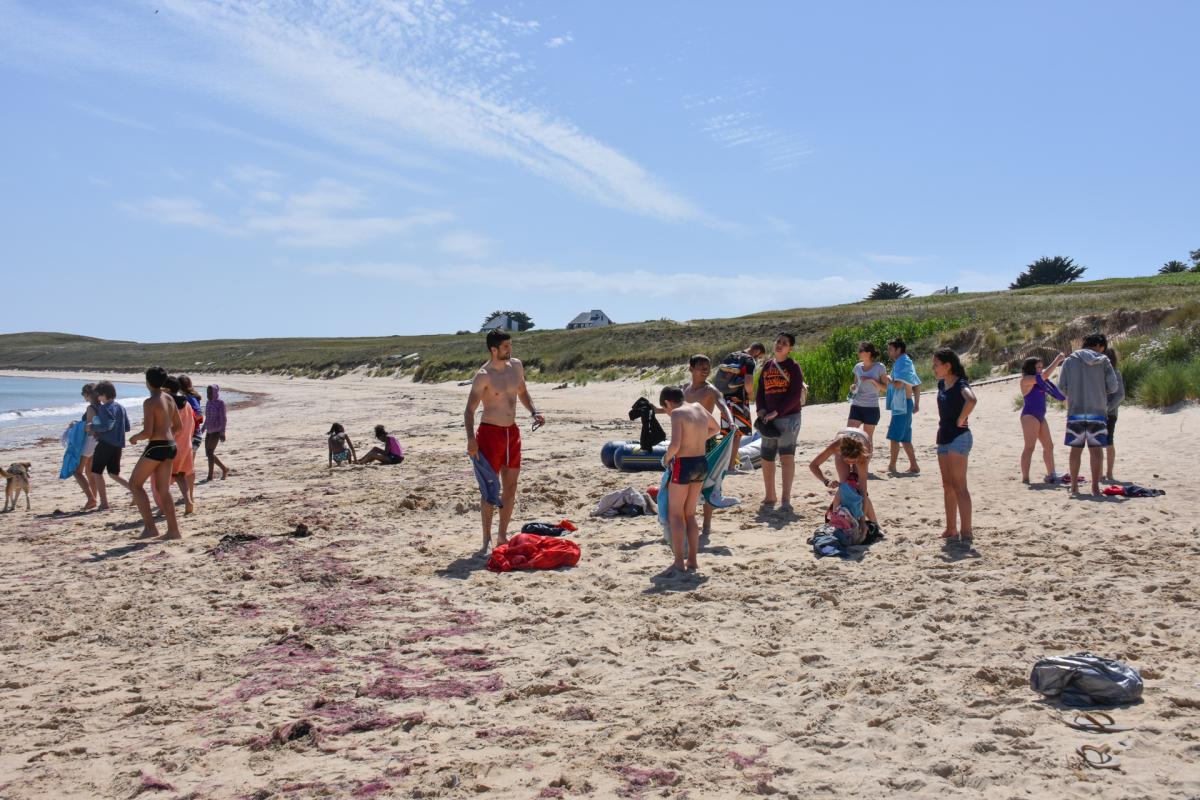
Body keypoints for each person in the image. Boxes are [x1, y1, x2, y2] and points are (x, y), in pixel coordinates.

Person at [465, 330, 545, 551]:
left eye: (510, 345)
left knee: (511, 486)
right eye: (506, 346)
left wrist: (534, 411)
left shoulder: (516, 366)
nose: (510, 349)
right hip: (489, 434)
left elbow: (523, 392)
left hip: (512, 433)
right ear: (494, 349)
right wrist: (471, 439)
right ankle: (486, 540)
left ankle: (502, 536)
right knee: (490, 490)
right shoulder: (483, 375)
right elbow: (469, 410)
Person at [658, 385, 719, 575]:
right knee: (690, 514)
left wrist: (666, 458)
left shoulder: (677, 413)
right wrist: (697, 439)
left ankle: (679, 562)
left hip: (683, 465)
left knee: (676, 515)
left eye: (666, 409)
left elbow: (675, 445)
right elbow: (715, 428)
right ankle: (692, 560)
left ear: (668, 403)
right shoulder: (699, 407)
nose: (668, 413)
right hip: (701, 463)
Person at [1057, 333, 1118, 496]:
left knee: (1075, 450)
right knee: (1096, 451)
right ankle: (1095, 488)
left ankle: (1074, 487)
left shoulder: (1069, 361)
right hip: (1097, 412)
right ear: (1099, 346)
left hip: (1075, 412)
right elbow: (1113, 387)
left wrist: (1074, 391)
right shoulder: (1104, 361)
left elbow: (1061, 387)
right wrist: (1099, 389)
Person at [128, 366, 183, 540]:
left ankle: (150, 528)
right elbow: (179, 426)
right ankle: (173, 531)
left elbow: (148, 432)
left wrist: (134, 438)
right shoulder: (169, 398)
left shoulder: (150, 402)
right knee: (163, 490)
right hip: (171, 445)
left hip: (157, 447)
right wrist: (167, 437)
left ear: (148, 382)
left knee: (134, 484)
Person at [680, 354, 732, 536]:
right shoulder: (684, 389)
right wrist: (654, 409)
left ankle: (707, 524)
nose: (705, 370)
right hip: (686, 442)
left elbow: (722, 405)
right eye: (701, 366)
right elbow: (674, 409)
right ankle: (687, 521)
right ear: (691, 368)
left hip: (706, 441)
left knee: (709, 483)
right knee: (685, 484)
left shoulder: (710, 390)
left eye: (707, 367)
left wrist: (730, 421)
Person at [754, 333, 805, 512]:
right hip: (768, 419)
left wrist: (777, 412)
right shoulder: (768, 365)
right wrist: (760, 409)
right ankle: (770, 496)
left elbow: (795, 394)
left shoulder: (793, 366)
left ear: (790, 348)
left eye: (784, 343)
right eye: (778, 341)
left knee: (786, 457)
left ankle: (785, 499)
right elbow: (760, 390)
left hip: (789, 418)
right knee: (767, 457)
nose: (780, 345)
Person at [933, 348, 977, 543]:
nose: (933, 368)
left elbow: (972, 400)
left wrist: (961, 418)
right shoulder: (941, 384)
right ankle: (951, 528)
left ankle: (966, 531)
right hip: (943, 436)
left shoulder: (960, 383)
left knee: (960, 486)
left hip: (959, 437)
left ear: (947, 366)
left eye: (936, 365)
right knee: (947, 485)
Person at [712, 343, 766, 468]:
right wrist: (751, 394)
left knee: (726, 433)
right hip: (740, 401)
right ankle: (731, 466)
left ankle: (722, 464)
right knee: (737, 434)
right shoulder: (749, 360)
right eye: (759, 357)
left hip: (725, 400)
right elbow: (748, 382)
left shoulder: (731, 356)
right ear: (757, 351)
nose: (758, 359)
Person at [808, 427, 877, 523]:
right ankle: (835, 519)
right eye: (847, 461)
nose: (850, 463)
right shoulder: (836, 447)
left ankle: (875, 523)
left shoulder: (862, 457)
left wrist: (862, 522)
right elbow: (813, 465)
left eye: (853, 461)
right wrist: (827, 481)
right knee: (845, 484)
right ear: (840, 453)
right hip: (844, 437)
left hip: (864, 440)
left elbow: (863, 492)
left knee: (859, 489)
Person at [1018, 353, 1066, 484]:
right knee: (1030, 447)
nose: (1041, 369)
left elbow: (1051, 388)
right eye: (1038, 367)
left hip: (1040, 416)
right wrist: (1057, 360)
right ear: (1031, 368)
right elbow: (1043, 376)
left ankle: (1051, 474)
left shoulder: (1040, 381)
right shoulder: (1026, 380)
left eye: (1041, 367)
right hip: (1029, 416)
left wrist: (1064, 399)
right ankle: (1025, 478)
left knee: (1049, 446)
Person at [88, 380, 131, 510]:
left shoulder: (104, 408)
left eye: (99, 395)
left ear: (104, 394)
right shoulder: (121, 407)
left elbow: (106, 426)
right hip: (118, 445)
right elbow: (127, 427)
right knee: (113, 473)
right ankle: (135, 491)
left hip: (105, 444)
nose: (98, 398)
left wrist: (92, 427)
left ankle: (104, 503)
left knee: (96, 472)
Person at [884, 339, 921, 474]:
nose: (888, 352)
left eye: (890, 349)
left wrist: (888, 379)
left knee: (894, 437)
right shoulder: (907, 362)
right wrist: (916, 403)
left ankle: (892, 466)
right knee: (905, 438)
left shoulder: (901, 362)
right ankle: (914, 466)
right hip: (906, 403)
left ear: (898, 349)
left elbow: (898, 384)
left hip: (902, 404)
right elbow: (917, 384)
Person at [164, 376, 197, 515]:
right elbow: (192, 423)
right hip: (186, 444)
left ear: (167, 389)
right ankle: (188, 501)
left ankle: (163, 507)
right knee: (181, 475)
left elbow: (169, 427)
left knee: (164, 477)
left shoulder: (169, 405)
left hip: (173, 445)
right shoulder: (187, 404)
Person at [848, 341, 888, 449]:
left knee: (867, 439)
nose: (858, 353)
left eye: (861, 351)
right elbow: (855, 384)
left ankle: (865, 460)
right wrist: (853, 387)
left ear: (869, 353)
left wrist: (872, 380)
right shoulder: (857, 367)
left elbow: (886, 388)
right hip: (856, 406)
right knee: (850, 436)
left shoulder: (880, 367)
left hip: (871, 407)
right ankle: (852, 458)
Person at [72, 383, 99, 510]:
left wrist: (75, 425)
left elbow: (88, 427)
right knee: (89, 471)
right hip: (98, 441)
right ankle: (94, 498)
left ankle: (91, 498)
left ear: (88, 394)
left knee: (77, 471)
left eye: (84, 394)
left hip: (89, 442)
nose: (84, 397)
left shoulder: (91, 408)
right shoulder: (102, 406)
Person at [1103, 346, 1125, 483]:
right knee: (1097, 444)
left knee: (1108, 442)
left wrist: (1107, 409)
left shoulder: (1115, 373)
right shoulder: (1097, 374)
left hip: (1110, 414)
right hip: (1098, 412)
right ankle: (1100, 473)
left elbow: (1120, 395)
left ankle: (1109, 473)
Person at [178, 375, 204, 470]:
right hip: (195, 434)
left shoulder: (189, 397)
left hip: (194, 434)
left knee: (188, 465)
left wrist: (189, 423)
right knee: (188, 465)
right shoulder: (189, 396)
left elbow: (199, 413)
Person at [204, 384, 228, 481]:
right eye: (207, 393)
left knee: (210, 452)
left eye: (210, 393)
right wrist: (202, 428)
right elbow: (207, 417)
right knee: (208, 453)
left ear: (215, 393)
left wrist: (222, 432)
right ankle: (224, 469)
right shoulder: (208, 403)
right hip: (209, 431)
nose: (208, 395)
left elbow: (223, 419)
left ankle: (210, 476)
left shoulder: (220, 403)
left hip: (217, 431)